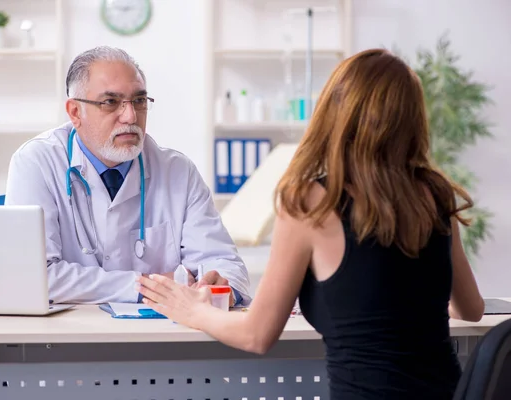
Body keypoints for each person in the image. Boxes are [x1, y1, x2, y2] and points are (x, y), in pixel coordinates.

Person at [136, 48, 485, 399]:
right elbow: (470, 309)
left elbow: (256, 335)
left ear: (334, 114)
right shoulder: (434, 194)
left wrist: (194, 311)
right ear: (411, 121)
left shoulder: (310, 202)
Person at [5, 46, 250, 306]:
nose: (130, 116)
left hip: (160, 334)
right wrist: (148, 286)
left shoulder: (178, 171)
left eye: (139, 101)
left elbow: (225, 263)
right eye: (111, 102)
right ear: (76, 112)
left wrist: (221, 287)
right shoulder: (37, 162)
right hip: (66, 336)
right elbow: (34, 276)